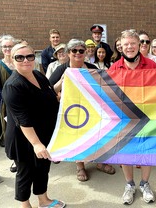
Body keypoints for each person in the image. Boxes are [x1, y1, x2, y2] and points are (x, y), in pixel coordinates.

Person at [2, 43, 65, 208]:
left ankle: (43, 200)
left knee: (42, 169)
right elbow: (23, 119)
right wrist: (36, 144)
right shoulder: (13, 86)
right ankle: (25, 205)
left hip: (44, 133)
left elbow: (51, 93)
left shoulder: (38, 74)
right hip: (24, 139)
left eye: (29, 56)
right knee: (25, 173)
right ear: (12, 59)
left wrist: (64, 81)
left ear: (34, 58)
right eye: (19, 57)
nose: (25, 60)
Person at [49, 39, 116, 182]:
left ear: (85, 52)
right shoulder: (62, 69)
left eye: (81, 50)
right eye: (74, 50)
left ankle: (100, 162)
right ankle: (80, 166)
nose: (78, 53)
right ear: (68, 53)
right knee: (77, 136)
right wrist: (61, 84)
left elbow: (103, 86)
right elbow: (50, 91)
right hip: (72, 110)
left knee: (97, 133)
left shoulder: (92, 67)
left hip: (93, 108)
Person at [110, 29, 156, 205]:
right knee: (125, 152)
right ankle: (129, 185)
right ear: (120, 47)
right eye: (125, 44)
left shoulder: (152, 65)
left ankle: (145, 184)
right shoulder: (114, 68)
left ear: (139, 45)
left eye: (132, 43)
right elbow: (109, 95)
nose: (129, 47)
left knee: (147, 151)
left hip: (147, 117)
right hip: (124, 118)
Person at [0, 34, 16, 148]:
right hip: (5, 105)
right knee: (10, 131)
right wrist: (6, 98)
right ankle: (13, 155)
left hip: (22, 102)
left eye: (10, 46)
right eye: (5, 46)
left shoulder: (20, 63)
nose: (8, 49)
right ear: (1, 49)